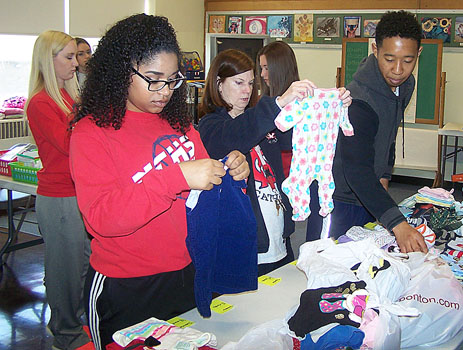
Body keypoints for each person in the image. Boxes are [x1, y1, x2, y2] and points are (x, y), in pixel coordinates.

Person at [69, 14, 249, 350]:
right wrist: (176, 177)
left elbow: (205, 181)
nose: (164, 91)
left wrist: (231, 169)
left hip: (187, 273)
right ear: (122, 72)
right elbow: (103, 218)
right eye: (153, 79)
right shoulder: (91, 133)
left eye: (172, 80)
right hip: (127, 287)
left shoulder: (178, 124)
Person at [197, 49, 351, 276]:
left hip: (279, 236)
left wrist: (330, 107)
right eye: (239, 83)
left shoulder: (261, 120)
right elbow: (237, 135)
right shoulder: (211, 126)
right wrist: (278, 102)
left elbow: (301, 135)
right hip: (245, 245)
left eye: (251, 83)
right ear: (219, 84)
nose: (247, 90)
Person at [328, 10, 428, 253]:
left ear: (418, 55)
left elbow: (390, 132)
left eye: (408, 60)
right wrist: (397, 224)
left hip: (371, 192)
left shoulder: (405, 85)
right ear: (375, 50)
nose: (397, 70)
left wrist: (384, 173)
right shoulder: (359, 101)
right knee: (339, 266)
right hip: (343, 197)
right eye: (389, 58)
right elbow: (355, 170)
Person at [25, 30, 92, 350]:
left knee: (83, 264)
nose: (76, 64)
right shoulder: (41, 103)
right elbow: (71, 143)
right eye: (68, 57)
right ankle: (65, 333)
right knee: (64, 270)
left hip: (78, 193)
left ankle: (78, 320)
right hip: (59, 197)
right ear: (47, 61)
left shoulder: (66, 97)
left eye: (76, 56)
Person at [256, 41, 324, 242]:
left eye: (267, 68)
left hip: (297, 180)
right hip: (271, 182)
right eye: (261, 68)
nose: (262, 74)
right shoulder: (265, 103)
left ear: (280, 67)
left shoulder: (305, 102)